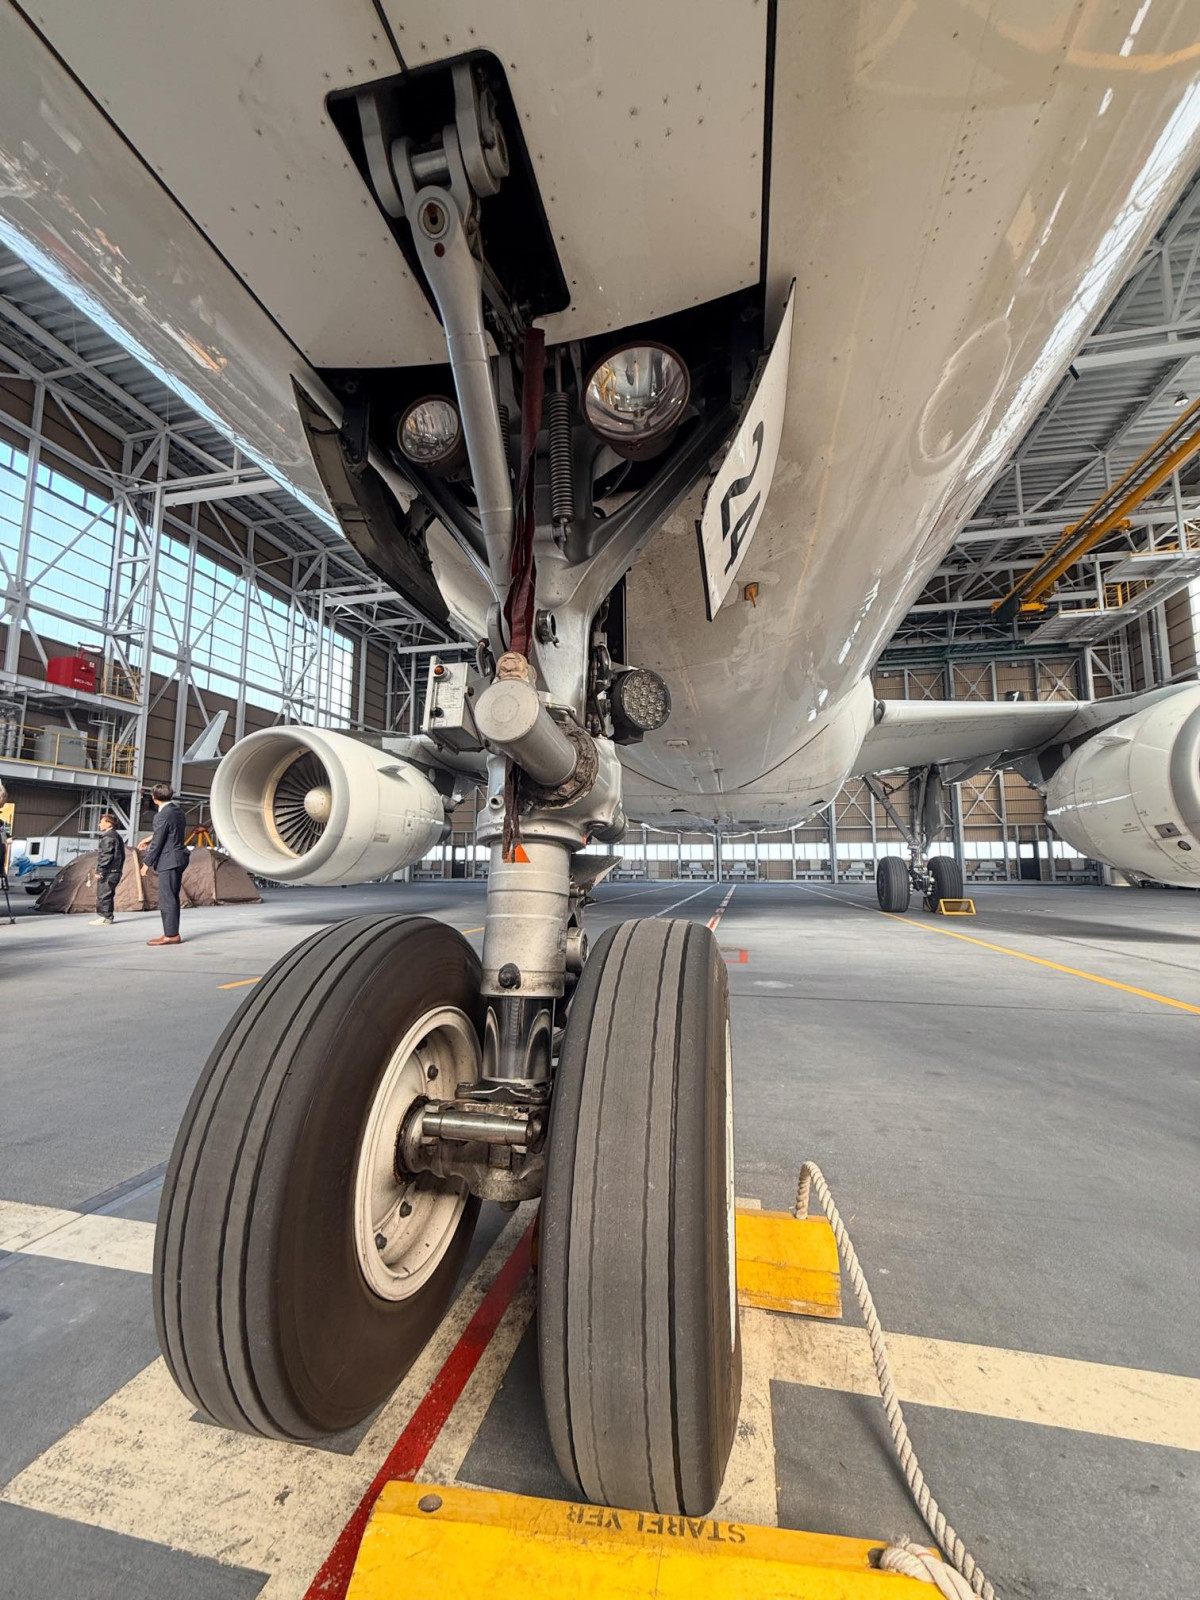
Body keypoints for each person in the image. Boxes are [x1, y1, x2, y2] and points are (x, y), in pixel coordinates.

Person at [140, 782, 188, 946]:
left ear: (154, 798)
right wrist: (148, 839)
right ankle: (171, 931)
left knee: (167, 898)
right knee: (172, 897)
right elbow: (168, 831)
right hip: (179, 857)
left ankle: (171, 935)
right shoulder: (178, 811)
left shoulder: (161, 815)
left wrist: (146, 863)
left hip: (169, 860)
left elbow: (159, 841)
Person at [90, 812, 125, 926]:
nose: (99, 824)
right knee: (107, 894)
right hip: (116, 870)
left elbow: (106, 855)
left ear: (109, 824)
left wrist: (100, 870)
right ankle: (106, 916)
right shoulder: (116, 836)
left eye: (101, 822)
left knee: (104, 894)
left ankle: (106, 917)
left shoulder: (108, 837)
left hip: (109, 871)